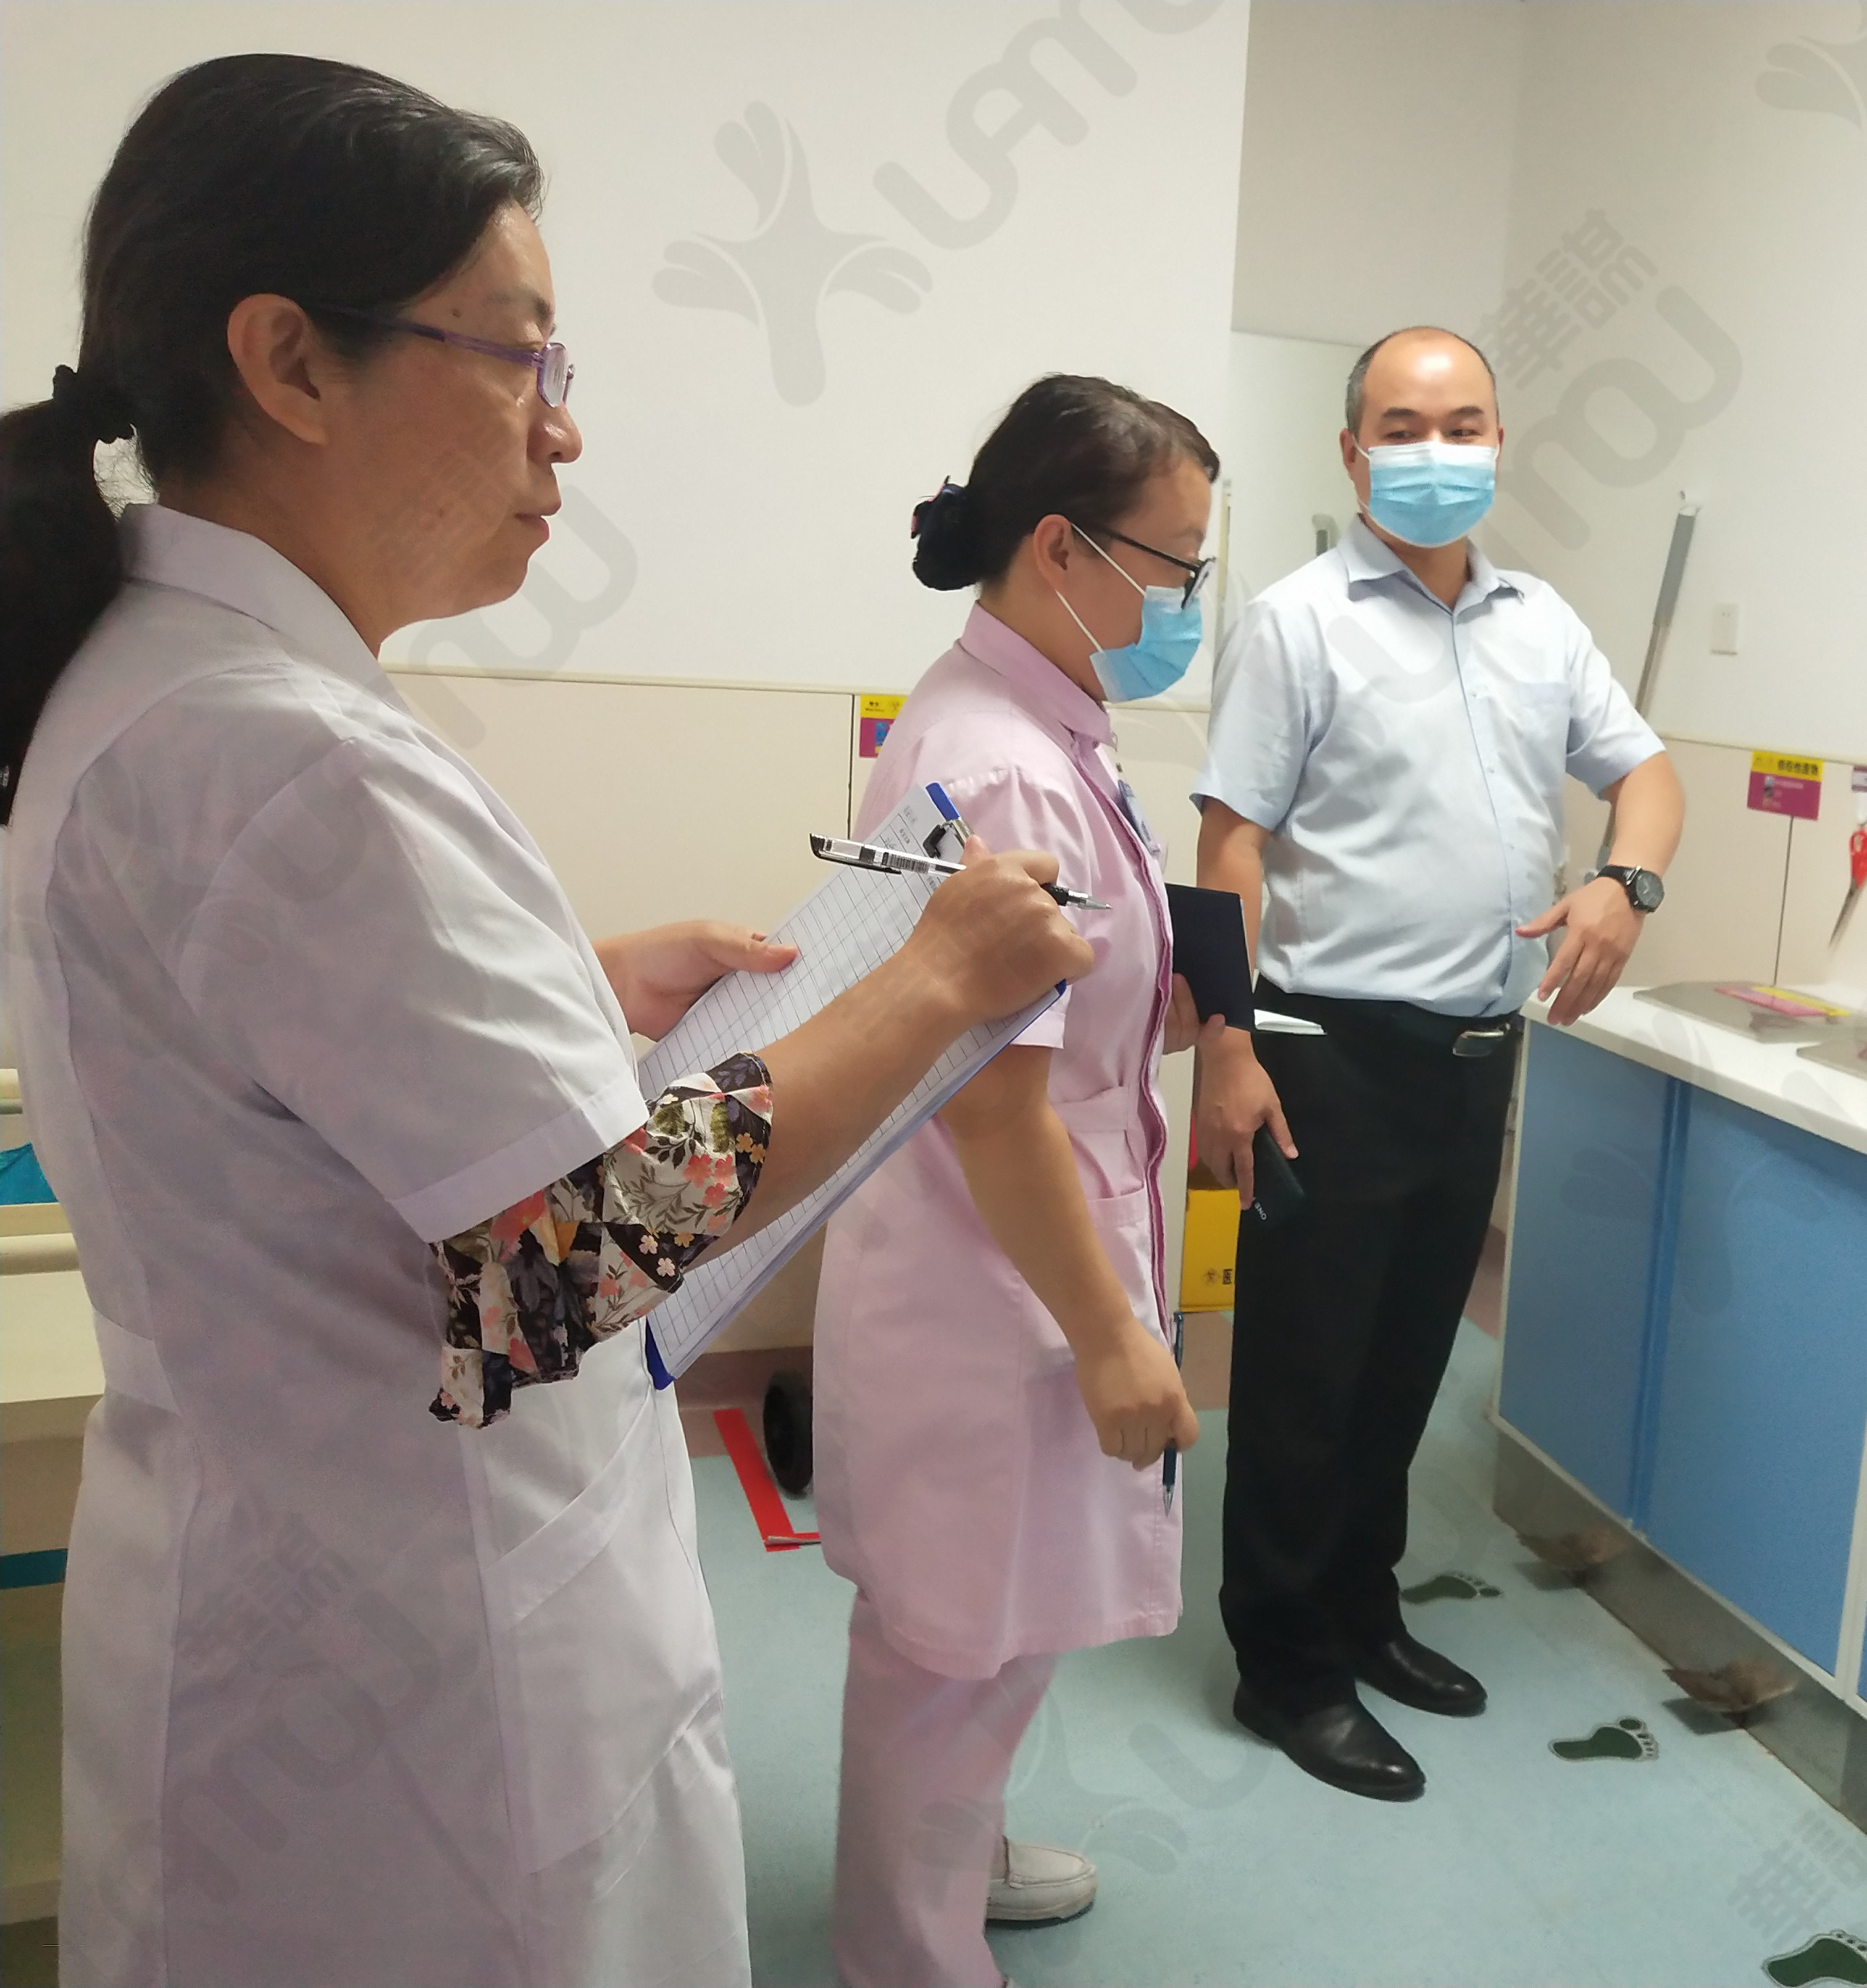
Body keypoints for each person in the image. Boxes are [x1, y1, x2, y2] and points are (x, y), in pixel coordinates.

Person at [0, 56, 1090, 1988]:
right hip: (417, 1692)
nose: (563, 430)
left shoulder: (159, 690)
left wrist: (576, 986)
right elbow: (572, 1262)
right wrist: (935, 980)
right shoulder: (292, 758)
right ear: (292, 362)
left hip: (297, 1599)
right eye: (520, 358)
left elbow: (269, 1061)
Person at [1192, 324, 1684, 1799]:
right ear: (1353, 453)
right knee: (1304, 1380)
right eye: (1403, 427)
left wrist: (1624, 885)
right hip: (1325, 1055)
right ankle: (1285, 1667)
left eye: (1463, 423)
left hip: (1476, 1056)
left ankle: (1362, 1610)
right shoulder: (1296, 623)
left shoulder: (1542, 623)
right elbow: (1230, 845)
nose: (1435, 450)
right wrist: (1226, 1039)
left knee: (1407, 1363)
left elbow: (1646, 774)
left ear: (1499, 442)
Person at [814, 375, 1210, 1988]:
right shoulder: (1008, 770)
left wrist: (1168, 995)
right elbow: (995, 1110)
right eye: (1176, 567)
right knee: (951, 1647)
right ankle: (903, 1952)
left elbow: (1052, 1009)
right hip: (999, 1278)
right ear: (1062, 548)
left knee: (993, 1624)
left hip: (1008, 1252)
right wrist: (1115, 1337)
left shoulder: (1029, 724)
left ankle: (957, 1865)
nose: (1189, 604)